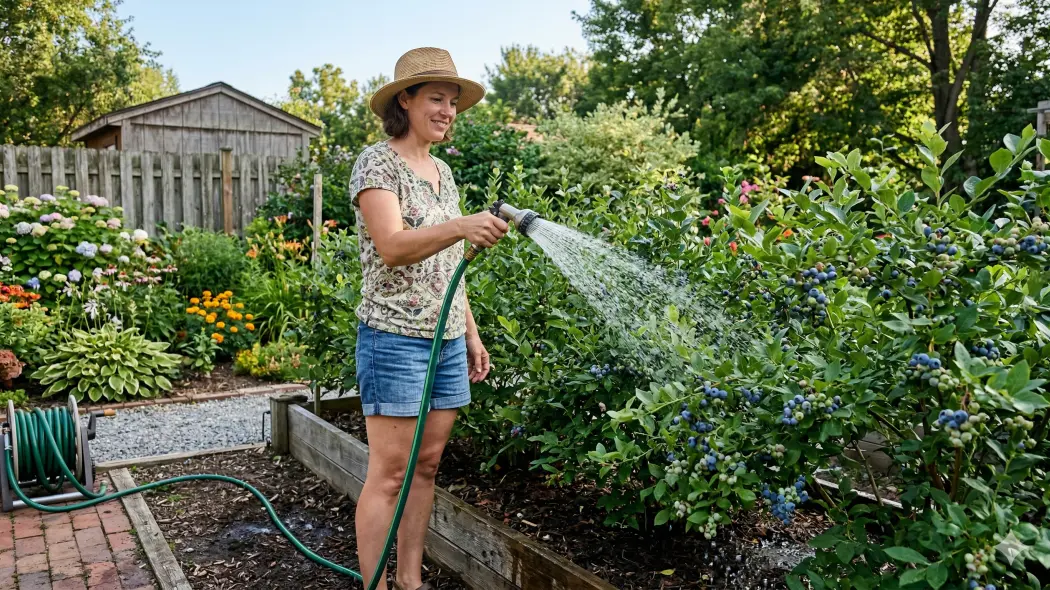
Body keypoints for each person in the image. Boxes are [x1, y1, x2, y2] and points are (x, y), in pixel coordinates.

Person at [348, 47, 509, 590]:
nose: (448, 110)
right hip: (393, 338)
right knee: (390, 473)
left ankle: (410, 582)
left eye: (454, 101)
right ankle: (376, 585)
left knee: (426, 468)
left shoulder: (441, 170)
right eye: (437, 98)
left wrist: (470, 333)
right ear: (406, 100)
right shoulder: (377, 162)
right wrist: (462, 226)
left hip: (443, 341)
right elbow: (392, 247)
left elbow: (449, 266)